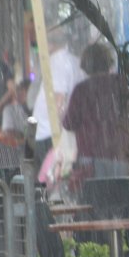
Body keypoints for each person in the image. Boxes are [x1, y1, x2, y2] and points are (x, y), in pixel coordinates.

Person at [63, 43, 129, 194]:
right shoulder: (121, 83)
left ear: (86, 65)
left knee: (96, 200)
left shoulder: (81, 90)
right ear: (108, 62)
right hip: (120, 153)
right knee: (121, 198)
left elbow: (69, 123)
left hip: (91, 155)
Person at [32, 25, 86, 161]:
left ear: (49, 44)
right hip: (52, 133)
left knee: (45, 178)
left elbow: (59, 100)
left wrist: (59, 134)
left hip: (48, 133)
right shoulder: (73, 61)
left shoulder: (58, 62)